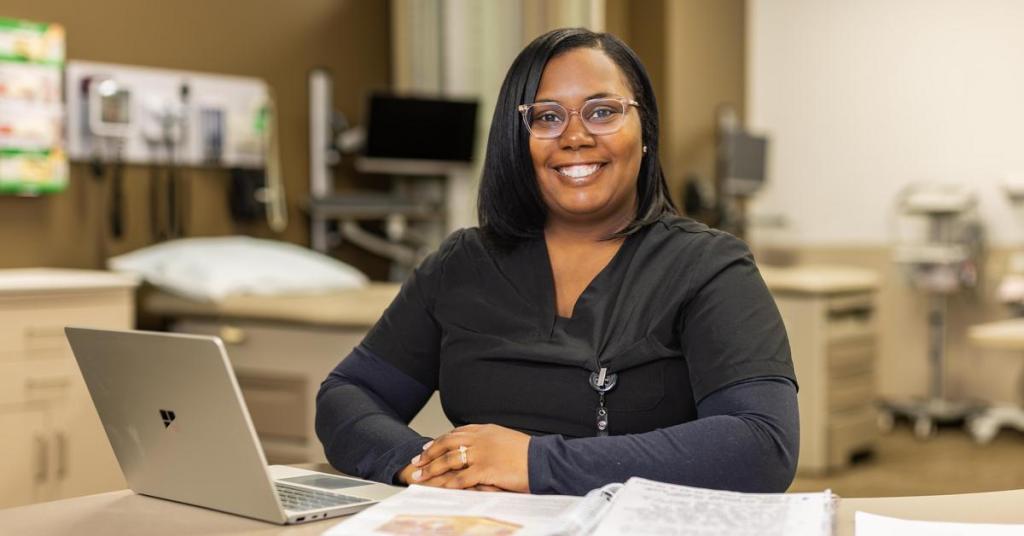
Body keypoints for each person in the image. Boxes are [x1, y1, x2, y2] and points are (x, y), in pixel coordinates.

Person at [315, 27, 799, 496]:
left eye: (603, 111)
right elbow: (347, 395)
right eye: (546, 117)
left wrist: (532, 462)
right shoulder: (462, 265)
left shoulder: (708, 267)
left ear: (645, 130)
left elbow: (761, 444)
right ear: (517, 141)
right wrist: (424, 463)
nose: (574, 136)